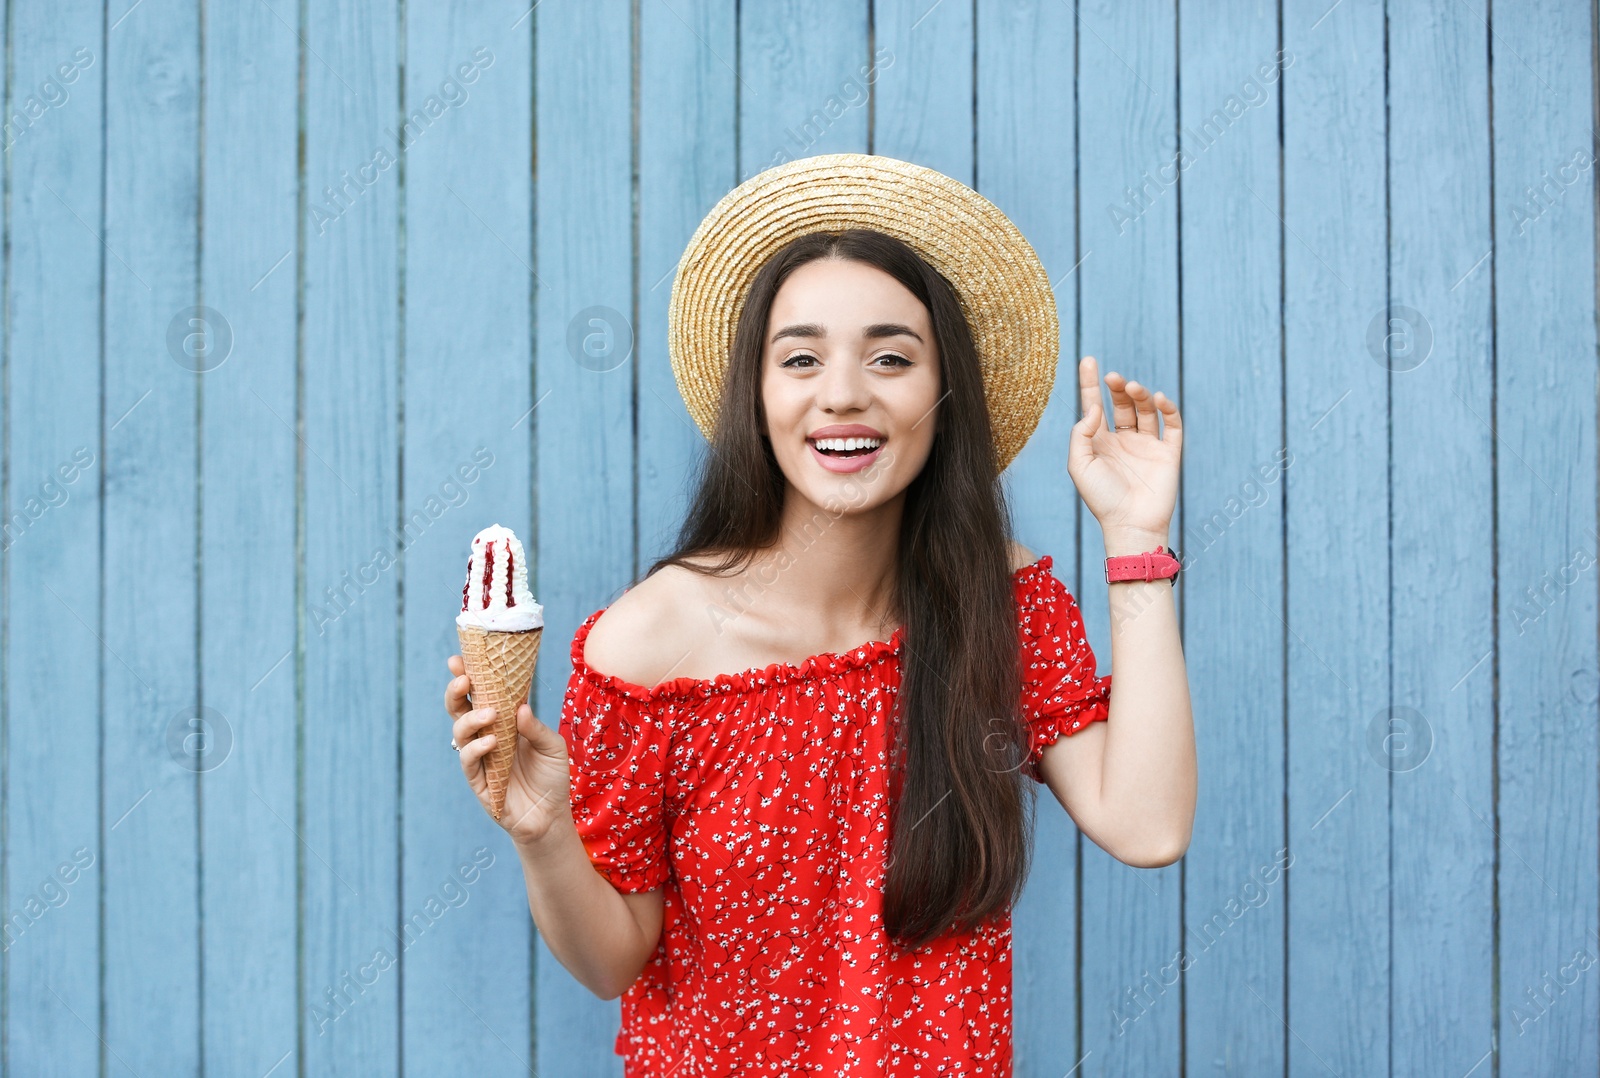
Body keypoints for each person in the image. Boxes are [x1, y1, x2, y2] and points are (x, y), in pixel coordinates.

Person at [444, 154, 1195, 1075]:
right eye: (800, 358)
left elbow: (1149, 826)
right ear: (756, 397)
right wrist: (543, 832)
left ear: (943, 394)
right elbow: (611, 962)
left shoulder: (993, 603)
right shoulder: (648, 646)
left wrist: (1134, 538)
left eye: (891, 357)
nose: (843, 393)